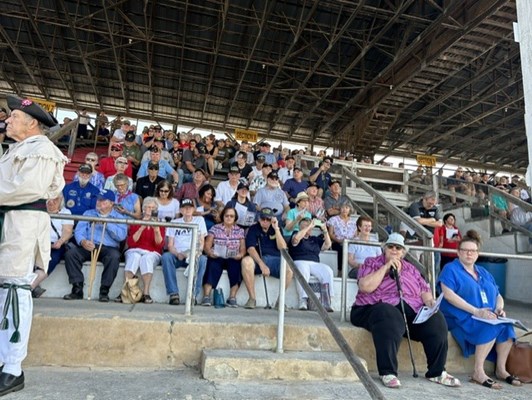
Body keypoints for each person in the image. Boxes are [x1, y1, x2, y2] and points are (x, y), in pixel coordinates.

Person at [0, 95, 66, 396]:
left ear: (32, 122)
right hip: (11, 222)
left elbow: (25, 188)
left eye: (13, 116)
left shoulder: (42, 149)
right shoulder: (20, 148)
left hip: (22, 225)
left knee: (15, 289)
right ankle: (5, 361)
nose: (8, 119)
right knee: (4, 292)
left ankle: (13, 369)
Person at [351, 233, 461, 389]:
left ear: (403, 252)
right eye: (391, 247)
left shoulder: (411, 269)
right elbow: (365, 287)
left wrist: (430, 302)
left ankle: (437, 372)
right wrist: (386, 267)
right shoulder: (372, 263)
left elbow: (424, 290)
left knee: (436, 320)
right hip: (373, 307)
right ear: (385, 249)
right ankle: (388, 372)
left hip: (409, 311)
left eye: (398, 248)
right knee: (389, 314)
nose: (394, 250)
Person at [438, 230, 521, 389]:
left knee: (506, 327)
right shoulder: (451, 269)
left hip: (485, 315)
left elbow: (498, 295)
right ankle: (478, 371)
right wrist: (476, 311)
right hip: (460, 316)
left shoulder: (483, 271)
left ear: (477, 253)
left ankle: (501, 370)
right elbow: (448, 295)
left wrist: (499, 308)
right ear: (458, 252)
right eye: (465, 250)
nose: (469, 253)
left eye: (473, 250)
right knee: (491, 324)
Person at [63, 190, 127, 302]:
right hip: (89, 245)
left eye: (102, 200)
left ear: (111, 203)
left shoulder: (119, 217)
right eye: (98, 199)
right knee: (71, 254)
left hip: (108, 248)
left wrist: (106, 223)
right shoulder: (89, 213)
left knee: (114, 257)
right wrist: (83, 242)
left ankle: (104, 290)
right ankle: (77, 288)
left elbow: (121, 236)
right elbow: (79, 231)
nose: (99, 202)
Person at [241, 208, 293, 309]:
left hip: (275, 260)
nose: (265, 221)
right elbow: (250, 249)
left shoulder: (276, 228)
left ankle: (280, 301)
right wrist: (262, 264)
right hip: (259, 260)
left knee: (289, 269)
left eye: (268, 219)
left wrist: (276, 229)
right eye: (263, 219)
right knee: (246, 261)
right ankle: (252, 299)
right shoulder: (253, 229)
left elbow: (282, 248)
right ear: (259, 219)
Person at [161, 198, 208, 305]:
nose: (187, 210)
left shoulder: (199, 220)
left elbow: (201, 244)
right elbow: (170, 245)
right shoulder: (174, 222)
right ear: (181, 210)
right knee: (166, 257)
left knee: (202, 259)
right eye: (184, 208)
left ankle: (193, 295)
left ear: (193, 209)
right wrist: (178, 254)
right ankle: (173, 294)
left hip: (193, 254)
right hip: (178, 255)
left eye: (190, 207)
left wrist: (192, 254)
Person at [119, 197, 165, 304]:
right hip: (135, 249)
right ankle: (125, 291)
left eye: (153, 208)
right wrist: (141, 228)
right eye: (148, 207)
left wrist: (157, 231)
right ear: (143, 209)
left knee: (147, 258)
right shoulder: (136, 222)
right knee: (134, 256)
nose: (150, 210)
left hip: (152, 252)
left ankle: (146, 293)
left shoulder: (161, 224)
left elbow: (159, 245)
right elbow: (131, 243)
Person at [201, 206, 246, 307]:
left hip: (233, 257)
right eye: (227, 216)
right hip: (218, 256)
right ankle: (206, 296)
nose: (229, 218)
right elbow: (207, 245)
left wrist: (240, 255)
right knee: (212, 264)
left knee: (236, 266)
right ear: (223, 217)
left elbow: (243, 248)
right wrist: (210, 253)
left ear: (235, 218)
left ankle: (232, 297)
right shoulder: (215, 228)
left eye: (231, 216)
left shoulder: (240, 231)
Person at [31, 195, 74, 298]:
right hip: (38, 243)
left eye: (55, 199)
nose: (51, 202)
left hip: (56, 245)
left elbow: (67, 231)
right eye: (49, 199)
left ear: (61, 201)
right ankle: (31, 286)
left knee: (48, 262)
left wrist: (60, 241)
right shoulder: (40, 211)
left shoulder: (66, 212)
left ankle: (29, 287)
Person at [289, 218, 334, 311]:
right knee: (303, 269)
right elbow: (296, 239)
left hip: (314, 263)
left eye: (310, 226)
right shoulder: (295, 235)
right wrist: (309, 226)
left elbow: (327, 245)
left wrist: (325, 230)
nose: (309, 228)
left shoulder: (315, 239)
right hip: (299, 260)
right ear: (300, 227)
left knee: (328, 271)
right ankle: (303, 299)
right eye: (305, 226)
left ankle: (326, 301)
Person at [327, 203, 357, 274]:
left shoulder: (353, 222)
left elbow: (355, 235)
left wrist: (350, 242)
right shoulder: (333, 219)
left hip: (350, 243)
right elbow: (330, 234)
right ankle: (340, 270)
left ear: (350, 210)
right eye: (343, 207)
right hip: (337, 242)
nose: (344, 209)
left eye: (347, 207)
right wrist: (339, 240)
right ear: (340, 209)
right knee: (341, 249)